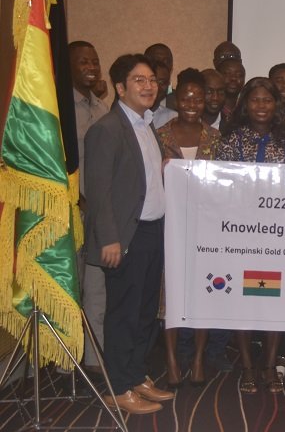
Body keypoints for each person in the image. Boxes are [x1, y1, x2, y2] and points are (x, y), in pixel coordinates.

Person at [84, 54, 172, 414]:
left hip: (152, 232)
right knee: (123, 314)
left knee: (145, 312)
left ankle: (136, 376)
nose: (149, 86)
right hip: (124, 238)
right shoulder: (107, 129)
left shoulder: (147, 124)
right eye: (139, 80)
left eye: (152, 79)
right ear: (120, 88)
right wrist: (109, 238)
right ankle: (117, 388)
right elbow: (97, 190)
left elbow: (140, 178)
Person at [217, 77, 285, 394]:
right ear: (244, 105)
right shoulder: (230, 140)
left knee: (274, 299)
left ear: (276, 104)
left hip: (277, 236)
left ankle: (270, 366)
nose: (261, 105)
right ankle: (248, 368)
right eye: (255, 99)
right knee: (244, 300)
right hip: (241, 235)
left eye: (267, 99)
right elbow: (219, 186)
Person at [155, 68, 221, 387]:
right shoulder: (160, 135)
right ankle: (170, 359)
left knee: (202, 291)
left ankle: (197, 359)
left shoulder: (215, 137)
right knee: (169, 293)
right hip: (169, 225)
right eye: (186, 98)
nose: (192, 104)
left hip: (205, 227)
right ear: (176, 100)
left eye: (198, 98)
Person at [70, 41, 109, 371]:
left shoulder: (102, 108)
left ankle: (95, 357)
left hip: (99, 214)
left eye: (94, 61)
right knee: (70, 286)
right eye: (83, 61)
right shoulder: (59, 110)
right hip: (69, 213)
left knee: (97, 288)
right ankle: (65, 359)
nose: (91, 67)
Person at [218, 59, 246, 126]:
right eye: (227, 74)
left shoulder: (247, 111)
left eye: (239, 75)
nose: (233, 78)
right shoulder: (208, 110)